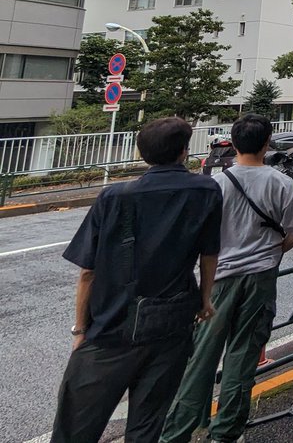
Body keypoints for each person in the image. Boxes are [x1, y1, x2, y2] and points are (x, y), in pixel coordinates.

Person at [50, 119, 222, 443]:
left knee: (76, 427)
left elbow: (88, 272)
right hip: (171, 328)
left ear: (143, 154)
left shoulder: (113, 197)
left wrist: (79, 329)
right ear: (184, 152)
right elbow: (209, 254)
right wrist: (205, 298)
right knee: (147, 426)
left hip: (110, 331)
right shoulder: (206, 190)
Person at [160, 115, 293, 443]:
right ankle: (225, 433)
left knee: (200, 360)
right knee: (242, 358)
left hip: (217, 281)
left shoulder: (215, 184)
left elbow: (198, 238)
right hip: (259, 279)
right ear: (267, 143)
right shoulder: (280, 183)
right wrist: (274, 250)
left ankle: (176, 433)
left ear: (234, 142)